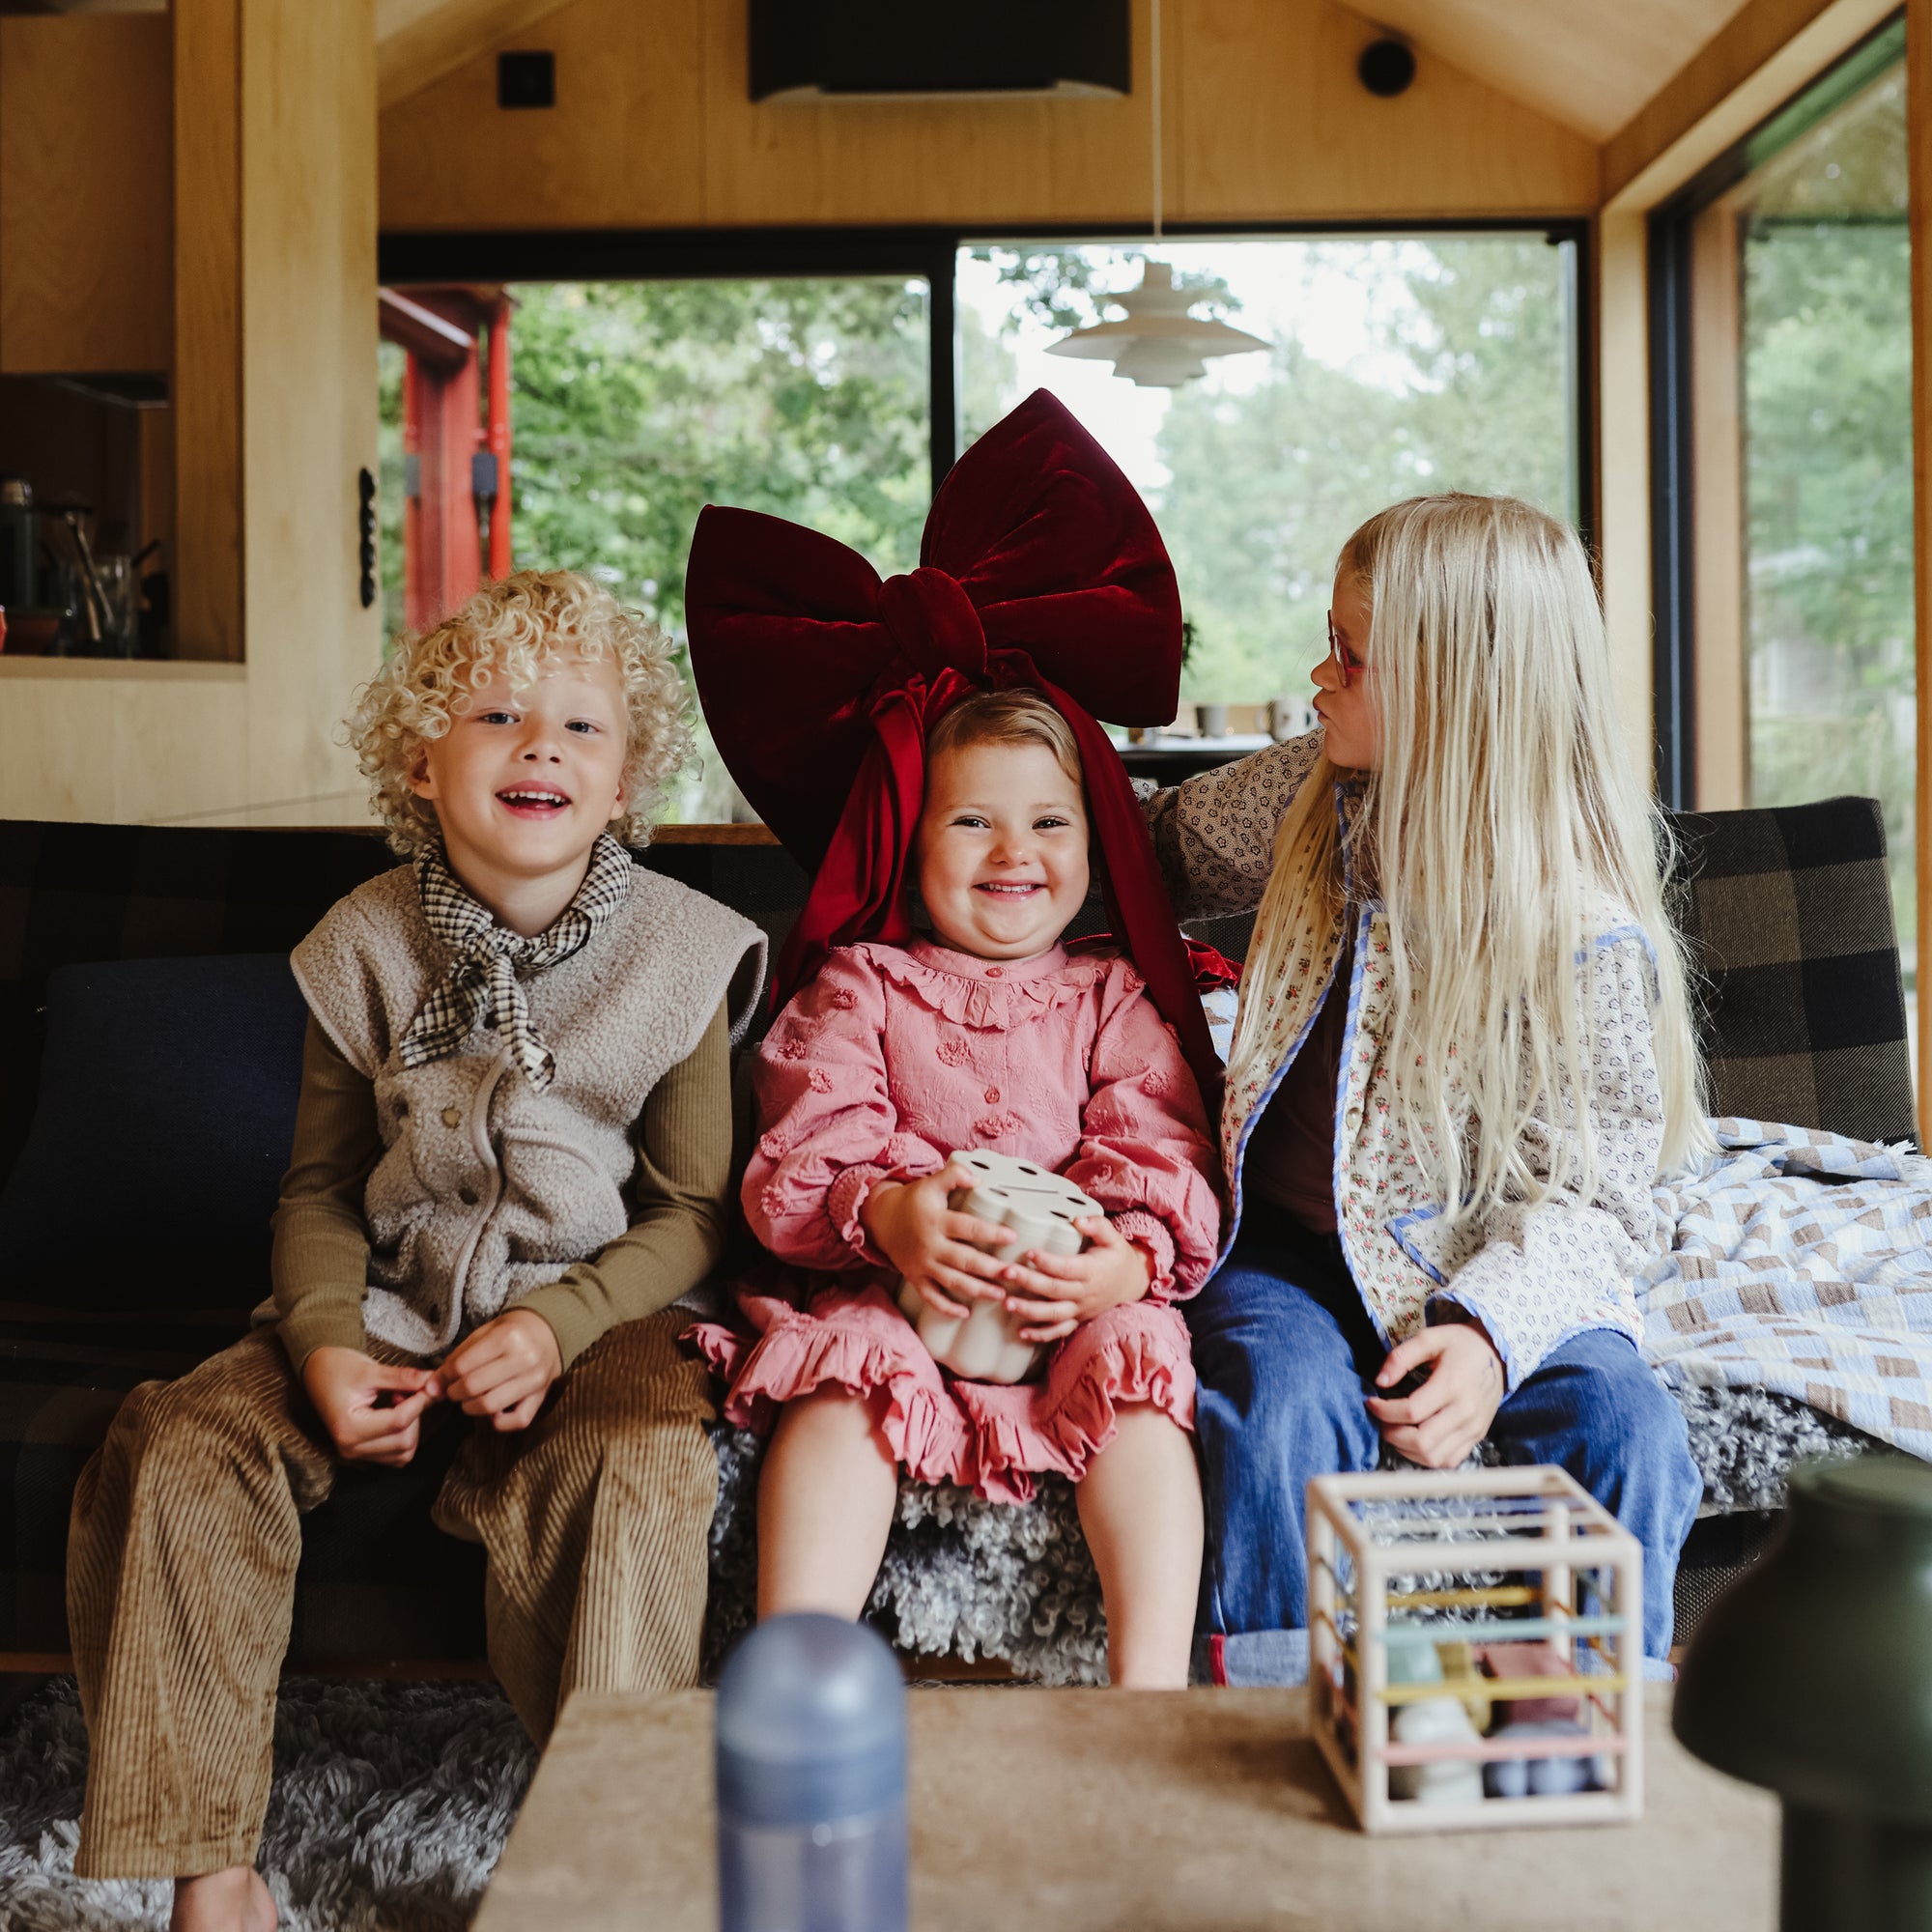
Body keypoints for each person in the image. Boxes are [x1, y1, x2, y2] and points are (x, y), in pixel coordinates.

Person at [66, 571, 765, 1932]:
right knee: (176, 1440)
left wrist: (557, 1327)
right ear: (421, 760)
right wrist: (325, 1340)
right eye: (496, 714)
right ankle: (216, 1879)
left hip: (600, 1315)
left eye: (581, 727)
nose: (540, 745)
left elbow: (693, 1215)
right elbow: (320, 1190)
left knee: (641, 1467)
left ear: (626, 783)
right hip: (386, 1298)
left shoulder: (686, 951)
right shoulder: (363, 942)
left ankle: (603, 1873)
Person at [682, 391, 1225, 1690]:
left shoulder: (1109, 1000)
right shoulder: (859, 990)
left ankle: (1148, 1701)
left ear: (1093, 851)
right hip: (897, 1293)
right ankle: (798, 1675)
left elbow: (1158, 1147)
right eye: (972, 825)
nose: (1014, 855)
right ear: (909, 845)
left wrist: (1115, 1260)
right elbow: (809, 1150)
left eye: (1049, 826)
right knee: (840, 1378)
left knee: (1144, 1367)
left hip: (1062, 1297)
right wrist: (893, 1217)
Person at [1141, 494, 1708, 1685]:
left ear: (1454, 686)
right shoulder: (1309, 791)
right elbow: (1153, 850)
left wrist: (1489, 1340)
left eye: (1349, 653)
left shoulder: (1581, 933)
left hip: (1483, 1256)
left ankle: (1574, 1725)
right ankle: (1276, 1717)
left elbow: (1600, 1200)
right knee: (1278, 1403)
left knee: (1626, 1427)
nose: (1317, 672)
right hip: (1284, 1250)